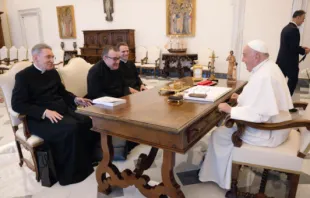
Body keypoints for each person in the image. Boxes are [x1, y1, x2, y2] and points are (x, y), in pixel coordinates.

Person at [199, 40, 293, 190]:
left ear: (256, 56)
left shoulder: (264, 76)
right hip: (278, 124)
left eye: (244, 55)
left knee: (219, 134)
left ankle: (217, 177)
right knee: (224, 127)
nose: (242, 59)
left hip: (269, 132)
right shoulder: (270, 67)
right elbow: (260, 100)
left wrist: (230, 110)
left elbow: (259, 115)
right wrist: (241, 98)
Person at [11, 43, 96, 186]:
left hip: (61, 111)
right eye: (48, 57)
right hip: (39, 118)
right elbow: (17, 105)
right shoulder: (23, 76)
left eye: (52, 56)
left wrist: (75, 99)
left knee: (86, 121)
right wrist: (44, 112)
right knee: (70, 129)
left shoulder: (53, 72)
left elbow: (62, 92)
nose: (52, 60)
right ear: (36, 58)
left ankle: (86, 161)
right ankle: (71, 173)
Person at [276, 10, 310, 98]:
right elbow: (293, 48)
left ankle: (279, 101)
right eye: (303, 19)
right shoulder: (294, 30)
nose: (303, 21)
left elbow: (289, 45)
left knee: (278, 83)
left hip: (282, 61)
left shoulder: (286, 28)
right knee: (293, 81)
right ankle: (286, 103)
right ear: (297, 17)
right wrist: (304, 51)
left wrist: (301, 48)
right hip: (290, 63)